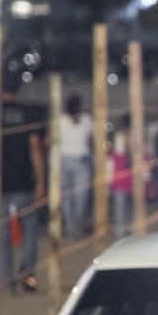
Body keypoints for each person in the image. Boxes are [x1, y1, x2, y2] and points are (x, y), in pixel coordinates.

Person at [0, 76, 47, 293]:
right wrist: (41, 180)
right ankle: (27, 274)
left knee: (3, 236)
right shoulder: (28, 112)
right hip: (24, 181)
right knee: (29, 231)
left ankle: (7, 281)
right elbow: (35, 146)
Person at [57, 93, 94, 239]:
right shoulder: (86, 119)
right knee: (81, 197)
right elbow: (92, 140)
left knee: (67, 198)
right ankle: (77, 226)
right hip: (81, 160)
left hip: (64, 160)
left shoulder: (60, 120)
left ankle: (71, 228)